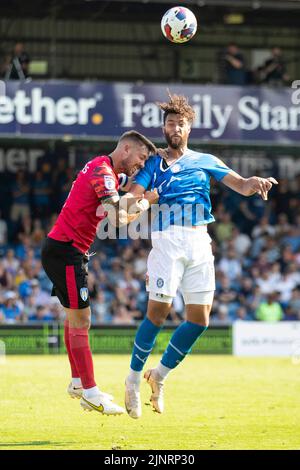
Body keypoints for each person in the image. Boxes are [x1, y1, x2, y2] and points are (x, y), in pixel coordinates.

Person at [124, 92, 278, 419]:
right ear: (163, 128)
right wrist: (134, 201)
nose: (175, 128)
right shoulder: (153, 163)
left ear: (189, 128)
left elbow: (240, 183)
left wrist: (256, 182)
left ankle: (159, 376)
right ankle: (133, 378)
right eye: (170, 123)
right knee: (158, 313)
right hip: (167, 240)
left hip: (199, 241)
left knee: (200, 320)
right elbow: (131, 200)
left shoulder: (205, 160)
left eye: (180, 124)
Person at [41, 130, 158, 416]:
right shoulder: (103, 173)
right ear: (126, 149)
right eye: (141, 158)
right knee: (82, 319)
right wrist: (146, 202)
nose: (140, 165)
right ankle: (91, 394)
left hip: (63, 248)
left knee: (75, 317)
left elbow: (119, 202)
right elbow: (117, 219)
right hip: (67, 250)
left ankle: (79, 383)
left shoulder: (106, 171)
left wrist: (139, 195)